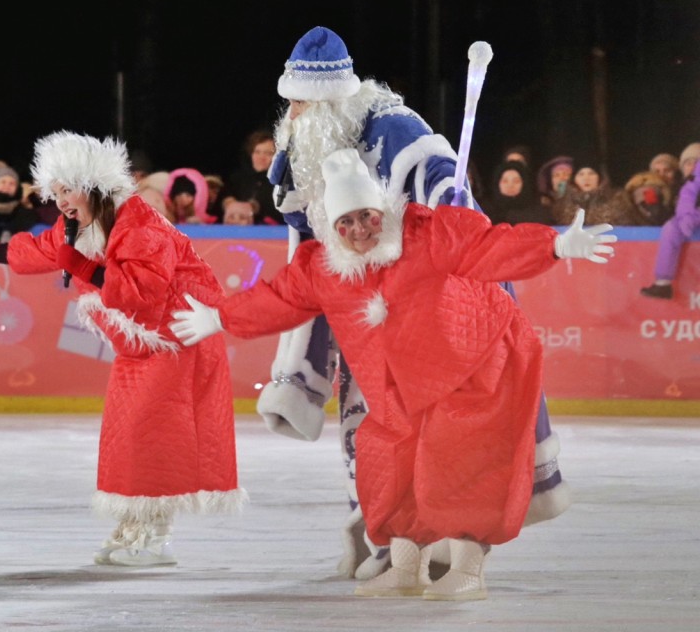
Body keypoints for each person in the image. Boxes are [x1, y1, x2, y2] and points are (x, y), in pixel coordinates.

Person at [171, 148, 616, 600]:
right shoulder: (322, 267)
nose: (360, 230)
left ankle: (468, 570)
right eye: (346, 223)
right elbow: (277, 299)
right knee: (388, 460)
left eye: (367, 216)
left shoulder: (428, 234)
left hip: (473, 366)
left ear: (381, 208)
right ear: (332, 227)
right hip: (398, 381)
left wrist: (554, 246)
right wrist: (221, 318)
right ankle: (407, 568)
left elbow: (488, 247)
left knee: (461, 462)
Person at [259, 26, 570, 579]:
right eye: (292, 102)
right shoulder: (301, 150)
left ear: (333, 100)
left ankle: (455, 540)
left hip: (429, 313)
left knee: (445, 431)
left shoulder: (398, 129)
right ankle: (387, 538)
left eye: (303, 102)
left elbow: (447, 197)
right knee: (371, 430)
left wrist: (446, 198)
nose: (294, 113)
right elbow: (302, 236)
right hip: (365, 314)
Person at [0, 131, 245, 566]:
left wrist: (85, 268)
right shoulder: (80, 224)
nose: (61, 201)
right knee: (124, 436)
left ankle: (154, 536)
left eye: (67, 190)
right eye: (56, 192)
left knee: (152, 438)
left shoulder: (140, 225)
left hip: (178, 340)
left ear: (94, 185)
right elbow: (45, 249)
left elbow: (145, 290)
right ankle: (132, 523)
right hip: (140, 346)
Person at [640, 141, 700, 300]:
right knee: (671, 228)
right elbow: (687, 198)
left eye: (696, 162)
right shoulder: (688, 182)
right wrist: (686, 216)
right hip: (691, 217)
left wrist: (692, 217)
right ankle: (663, 282)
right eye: (688, 163)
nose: (692, 166)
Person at [222, 129, 285, 226]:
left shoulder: (280, 182)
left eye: (268, 153)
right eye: (257, 152)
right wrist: (228, 203)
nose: (261, 157)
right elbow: (222, 198)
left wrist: (254, 207)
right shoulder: (237, 178)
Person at [482, 159, 551, 225]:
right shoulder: (485, 212)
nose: (510, 186)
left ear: (524, 184)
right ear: (497, 184)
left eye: (516, 181)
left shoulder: (538, 213)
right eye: (505, 181)